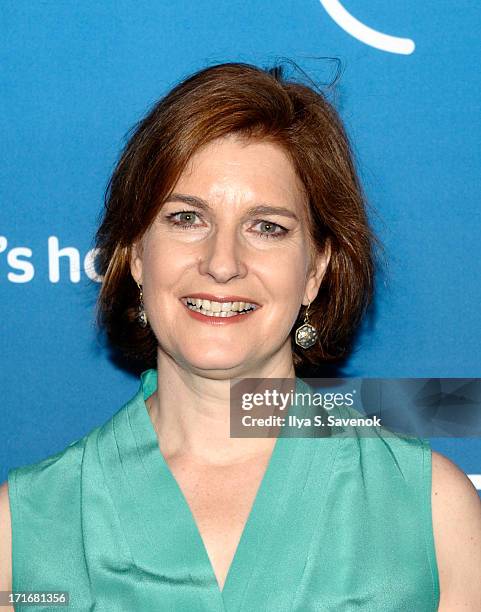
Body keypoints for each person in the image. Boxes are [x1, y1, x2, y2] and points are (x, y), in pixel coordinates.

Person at [1, 61, 480, 611]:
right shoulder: (24, 531)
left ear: (316, 270)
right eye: (186, 219)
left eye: (267, 227)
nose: (222, 263)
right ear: (135, 253)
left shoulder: (430, 508)